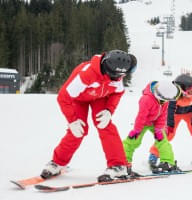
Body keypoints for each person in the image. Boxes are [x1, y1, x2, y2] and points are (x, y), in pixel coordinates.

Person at [40, 49, 137, 182]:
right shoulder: (86, 74)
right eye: (117, 77)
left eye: (122, 76)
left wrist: (109, 110)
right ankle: (57, 163)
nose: (119, 79)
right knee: (78, 130)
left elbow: (117, 93)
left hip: (99, 98)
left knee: (105, 125)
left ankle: (118, 166)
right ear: (109, 71)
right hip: (78, 99)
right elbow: (63, 97)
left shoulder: (117, 75)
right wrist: (72, 121)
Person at [148, 72, 192, 168]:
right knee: (167, 134)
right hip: (175, 114)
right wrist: (170, 126)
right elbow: (170, 110)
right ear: (182, 89)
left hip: (190, 113)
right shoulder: (173, 93)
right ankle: (154, 154)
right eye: (191, 90)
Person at [123, 81, 182, 173]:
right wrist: (137, 130)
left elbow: (163, 114)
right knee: (132, 141)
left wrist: (158, 129)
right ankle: (123, 163)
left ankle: (167, 162)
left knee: (162, 141)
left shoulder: (165, 99)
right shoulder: (146, 99)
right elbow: (141, 116)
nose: (166, 101)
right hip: (143, 122)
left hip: (155, 122)